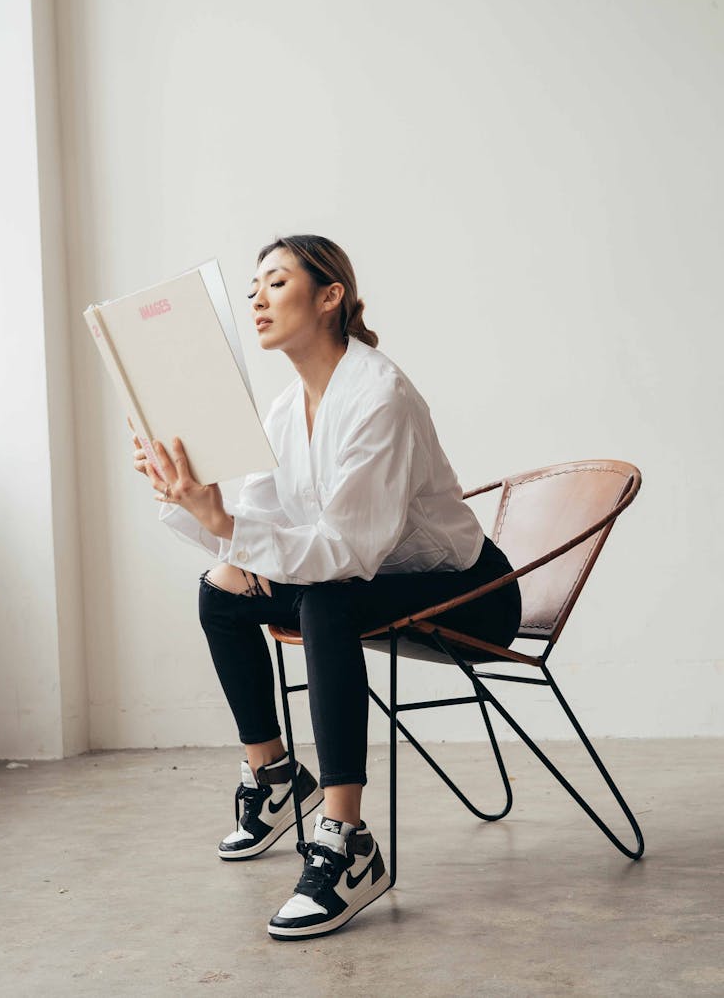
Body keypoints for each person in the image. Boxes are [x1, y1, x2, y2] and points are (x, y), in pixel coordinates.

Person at [131, 234, 522, 941]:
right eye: (252, 287)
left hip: (472, 592)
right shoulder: (285, 411)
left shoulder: (380, 395)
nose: (256, 299)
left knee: (325, 600)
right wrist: (194, 497)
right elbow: (257, 529)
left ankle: (346, 842)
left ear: (330, 295)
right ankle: (276, 776)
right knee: (220, 590)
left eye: (275, 282)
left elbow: (346, 551)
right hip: (371, 581)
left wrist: (228, 522)